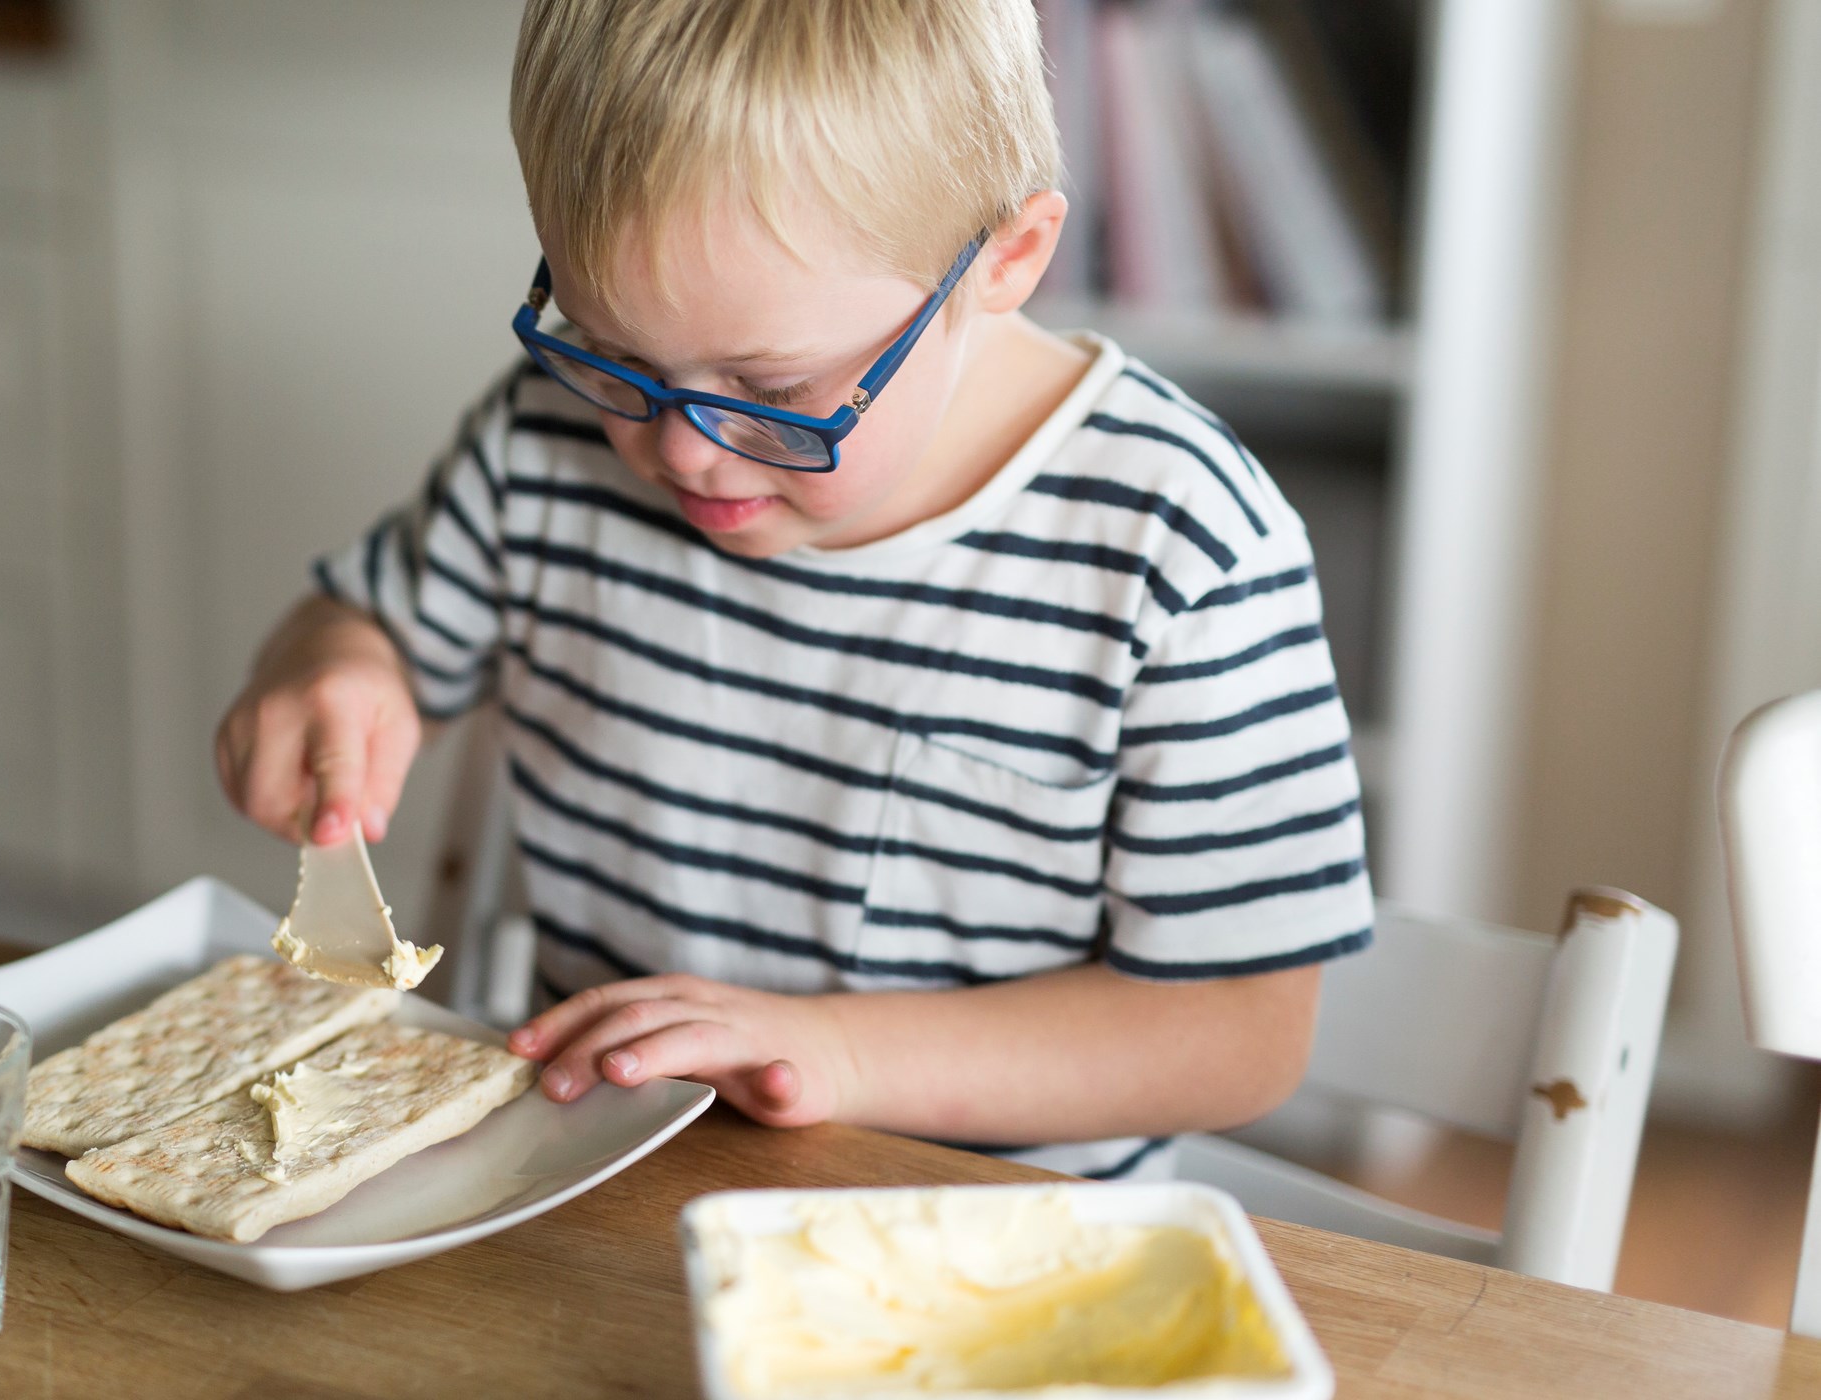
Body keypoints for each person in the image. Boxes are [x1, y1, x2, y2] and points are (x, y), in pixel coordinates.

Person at [214, 0, 1372, 1180]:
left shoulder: (1176, 549)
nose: (683, 450)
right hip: (598, 1182)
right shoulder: (545, 441)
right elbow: (372, 623)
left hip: (993, 1243)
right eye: (614, 355)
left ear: (1004, 259)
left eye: (771, 388)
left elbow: (1239, 1034)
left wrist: (832, 1051)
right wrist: (332, 664)